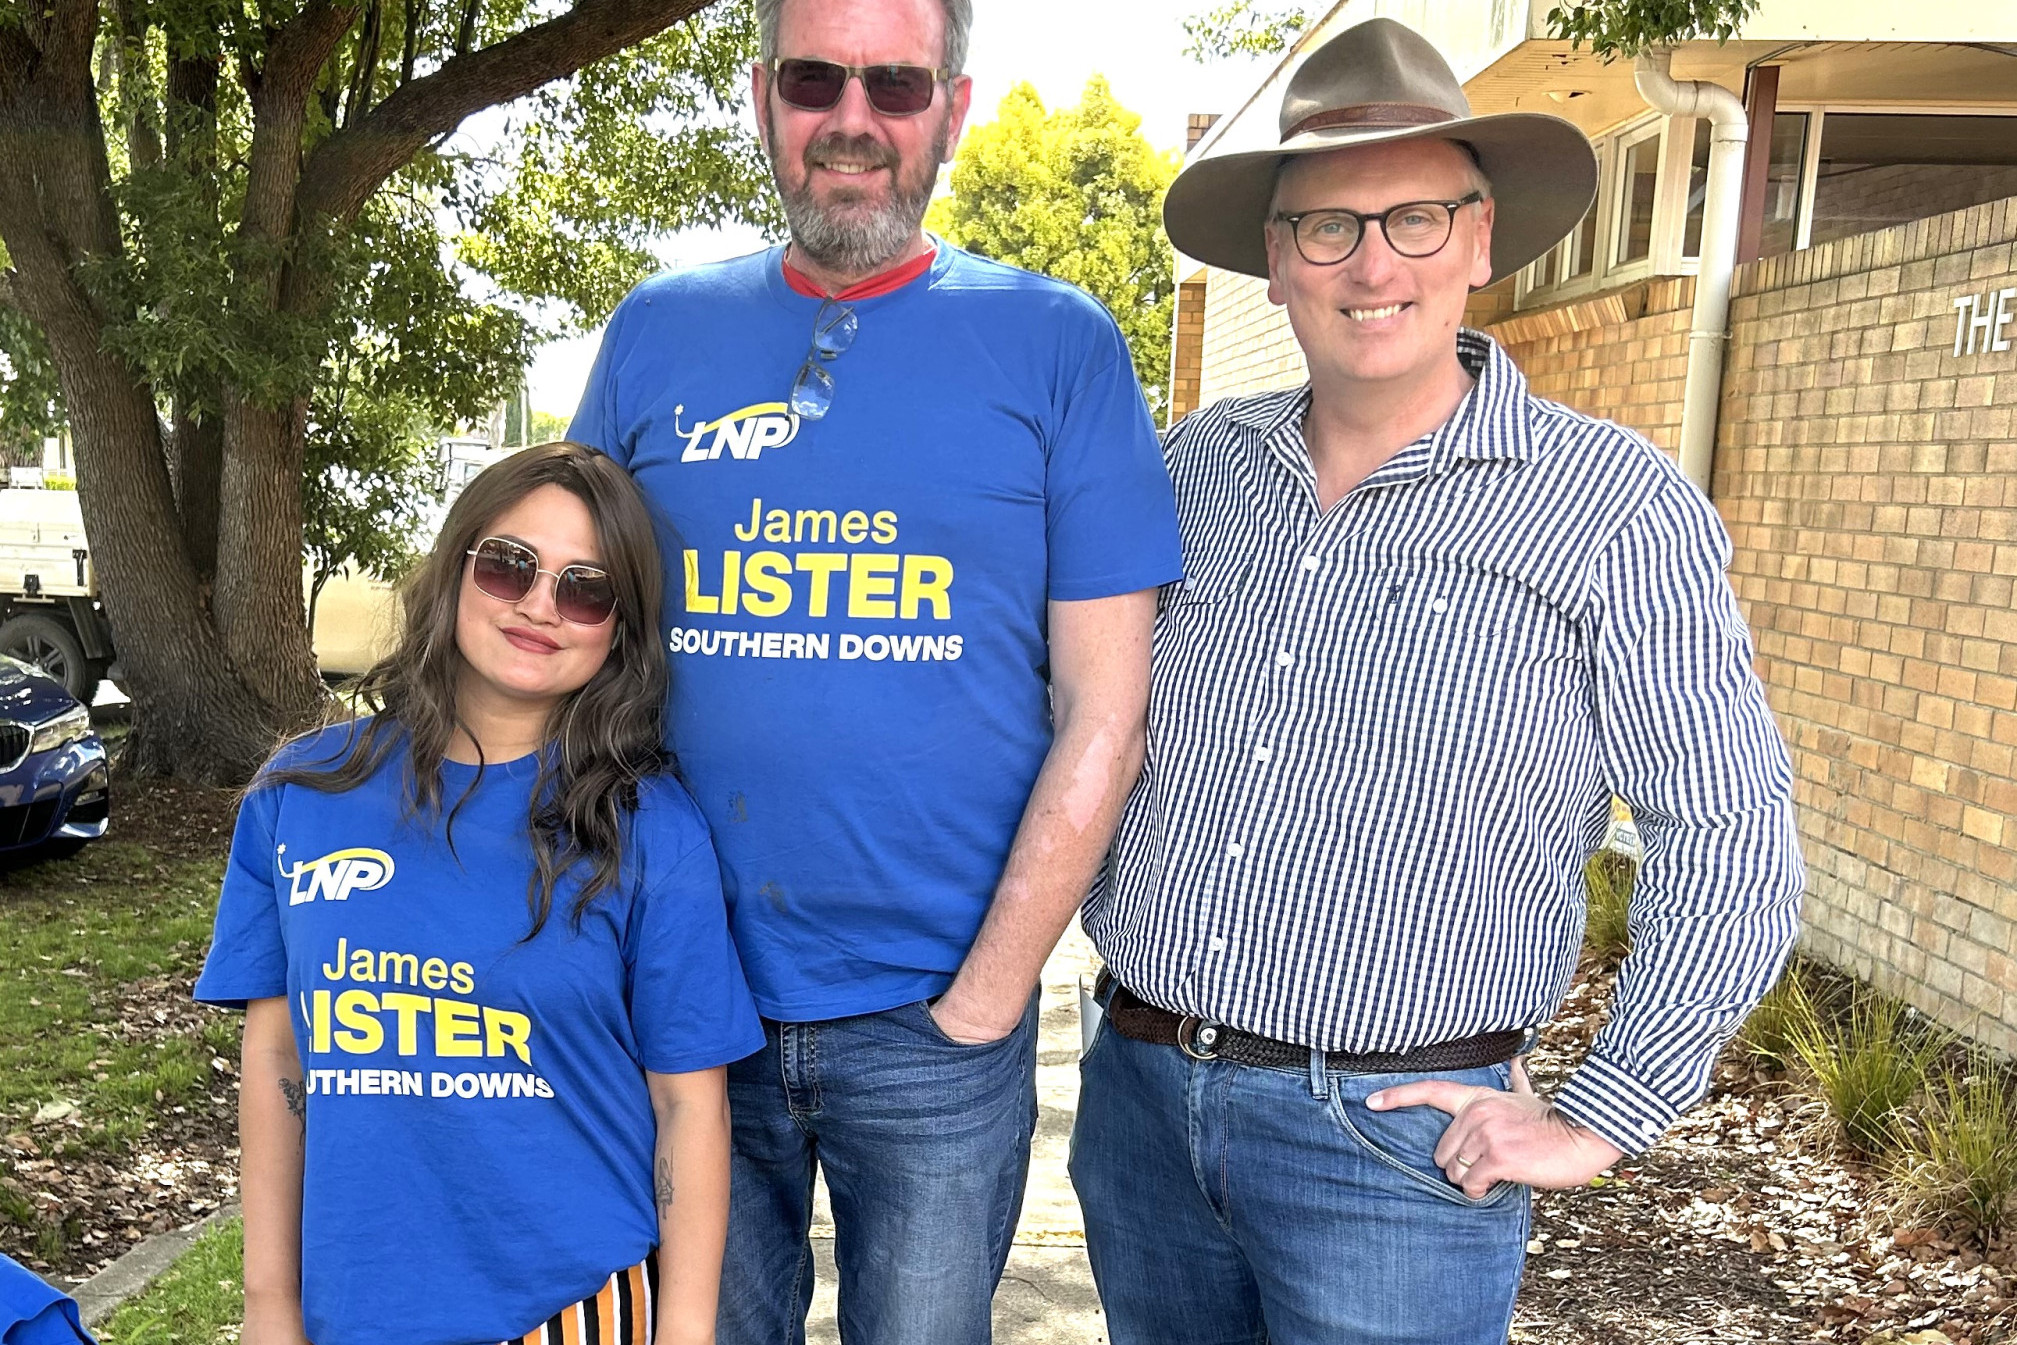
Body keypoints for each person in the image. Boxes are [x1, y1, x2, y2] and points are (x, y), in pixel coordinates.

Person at [1071, 18, 1805, 1345]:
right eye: (1325, 227)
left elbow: (1731, 829)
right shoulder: (1188, 475)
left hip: (1395, 1154)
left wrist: (1608, 1107)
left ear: (1479, 240)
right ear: (1276, 263)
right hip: (1140, 1114)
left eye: (1416, 219)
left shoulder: (1608, 507)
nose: (1371, 264)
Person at [566, 0, 1184, 1338]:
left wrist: (991, 993)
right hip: (680, 997)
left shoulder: (1058, 345)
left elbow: (1107, 712)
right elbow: (558, 650)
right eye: (815, 78)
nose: (854, 119)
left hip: (933, 1016)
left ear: (950, 109)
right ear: (762, 100)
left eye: (897, 84)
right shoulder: (655, 335)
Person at [195, 443, 762, 1345]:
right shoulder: (299, 797)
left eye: (586, 588)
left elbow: (688, 1104)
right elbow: (277, 1062)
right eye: (510, 566)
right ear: (456, 566)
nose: (541, 605)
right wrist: (270, 1303)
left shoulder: (649, 827)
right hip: (354, 1309)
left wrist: (685, 1333)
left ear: (619, 627)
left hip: (569, 1309)